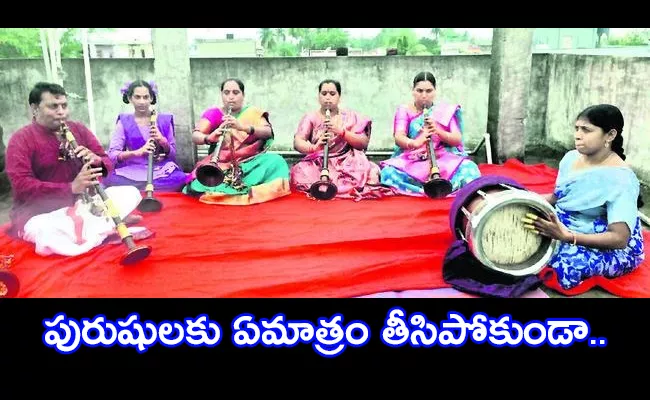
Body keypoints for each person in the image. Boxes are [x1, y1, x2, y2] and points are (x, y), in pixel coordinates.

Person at [4, 82, 146, 256]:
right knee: (46, 233)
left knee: (130, 192)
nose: (61, 112)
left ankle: (96, 226)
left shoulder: (78, 129)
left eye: (64, 105)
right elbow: (22, 185)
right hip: (43, 213)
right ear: (35, 108)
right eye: (53, 106)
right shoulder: (20, 140)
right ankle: (106, 225)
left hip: (84, 205)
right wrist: (70, 188)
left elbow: (107, 161)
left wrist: (96, 161)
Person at [522, 104, 645, 290]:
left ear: (610, 135)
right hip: (568, 223)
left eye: (586, 130)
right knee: (521, 231)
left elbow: (619, 239)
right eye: (577, 128)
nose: (578, 135)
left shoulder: (622, 179)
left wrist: (567, 236)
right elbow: (557, 199)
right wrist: (519, 199)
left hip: (608, 241)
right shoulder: (571, 158)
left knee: (562, 264)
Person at [184, 78, 291, 205]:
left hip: (251, 161)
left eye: (235, 92)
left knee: (277, 161)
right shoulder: (214, 113)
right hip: (222, 164)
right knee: (199, 182)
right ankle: (242, 189)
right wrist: (209, 138)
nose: (231, 97)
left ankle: (237, 189)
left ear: (243, 95)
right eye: (226, 92)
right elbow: (196, 135)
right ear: (221, 95)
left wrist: (242, 127)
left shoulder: (253, 112)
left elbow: (267, 132)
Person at [290, 79, 395, 201]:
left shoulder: (350, 117)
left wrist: (342, 132)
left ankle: (333, 188)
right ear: (318, 97)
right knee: (298, 172)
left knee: (368, 170)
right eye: (324, 94)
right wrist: (315, 147)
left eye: (332, 94)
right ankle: (329, 186)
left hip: (347, 160)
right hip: (319, 161)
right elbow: (298, 142)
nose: (328, 98)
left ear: (339, 97)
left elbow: (362, 143)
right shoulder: (311, 117)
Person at [380, 72, 481, 196]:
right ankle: (429, 189)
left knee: (470, 169)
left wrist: (438, 131)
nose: (424, 95)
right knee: (388, 173)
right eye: (419, 90)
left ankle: (439, 187)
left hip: (442, 157)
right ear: (413, 91)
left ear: (435, 91)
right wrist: (416, 142)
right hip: (413, 158)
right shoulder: (404, 110)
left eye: (429, 91)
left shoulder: (445, 110)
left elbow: (456, 139)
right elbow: (399, 137)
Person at [102, 80, 188, 192]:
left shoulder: (163, 120)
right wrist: (137, 152)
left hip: (159, 170)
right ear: (129, 98)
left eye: (146, 97)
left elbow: (172, 155)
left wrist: (162, 141)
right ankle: (149, 188)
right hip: (132, 170)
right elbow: (113, 155)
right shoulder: (123, 121)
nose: (142, 102)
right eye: (137, 97)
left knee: (180, 178)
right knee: (110, 179)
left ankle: (139, 189)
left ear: (151, 98)